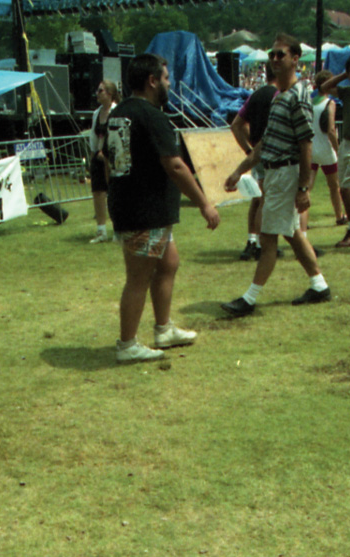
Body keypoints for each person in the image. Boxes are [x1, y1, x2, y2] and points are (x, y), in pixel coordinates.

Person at [104, 54, 220, 363]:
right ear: (152, 81)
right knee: (138, 277)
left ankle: (164, 329)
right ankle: (127, 345)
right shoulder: (152, 116)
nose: (169, 84)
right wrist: (204, 204)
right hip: (144, 211)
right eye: (166, 78)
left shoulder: (119, 114)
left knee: (168, 263)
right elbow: (176, 166)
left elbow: (109, 160)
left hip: (136, 208)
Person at [221, 35, 331, 317]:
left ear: (296, 59)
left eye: (280, 55)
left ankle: (249, 298)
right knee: (293, 234)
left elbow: (305, 143)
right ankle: (319, 285)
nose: (274, 59)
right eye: (272, 55)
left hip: (286, 173)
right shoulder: (280, 97)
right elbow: (264, 144)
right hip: (276, 173)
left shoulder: (298, 96)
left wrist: (304, 187)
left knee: (268, 239)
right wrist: (238, 171)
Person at [229, 61, 277, 261]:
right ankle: (258, 244)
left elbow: (236, 125)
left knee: (257, 199)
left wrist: (248, 149)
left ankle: (251, 240)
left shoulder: (254, 96)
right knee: (265, 200)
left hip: (257, 154)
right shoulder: (279, 96)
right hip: (273, 152)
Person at [320, 56, 350, 249]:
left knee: (346, 189)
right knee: (348, 190)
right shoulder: (347, 92)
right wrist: (344, 75)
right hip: (347, 143)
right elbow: (323, 88)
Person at [302, 70, 344, 232]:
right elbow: (331, 130)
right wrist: (338, 149)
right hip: (326, 150)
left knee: (307, 187)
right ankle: (339, 216)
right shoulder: (329, 103)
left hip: (311, 149)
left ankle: (303, 218)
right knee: (334, 186)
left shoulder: (309, 101)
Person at [88, 79, 120, 243]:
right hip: (97, 158)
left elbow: (118, 136)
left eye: (100, 91)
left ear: (110, 93)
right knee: (98, 192)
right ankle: (101, 231)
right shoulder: (96, 113)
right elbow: (93, 136)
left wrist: (106, 152)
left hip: (112, 160)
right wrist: (94, 153)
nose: (97, 93)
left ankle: (118, 230)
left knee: (114, 194)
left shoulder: (117, 111)